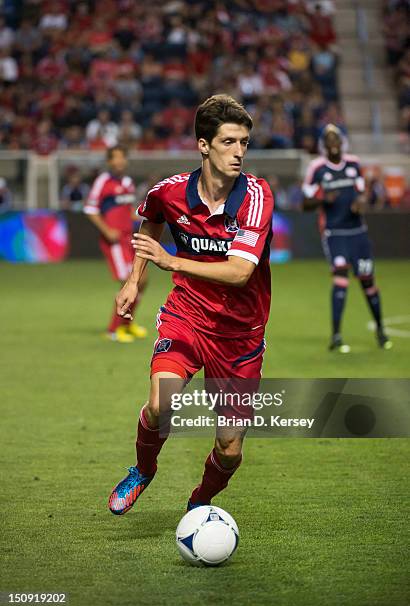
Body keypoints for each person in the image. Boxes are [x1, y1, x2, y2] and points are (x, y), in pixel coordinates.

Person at [108, 94, 274, 515]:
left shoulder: (256, 197)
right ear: (204, 145)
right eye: (229, 142)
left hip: (240, 336)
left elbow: (240, 272)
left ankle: (200, 502)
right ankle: (143, 471)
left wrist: (170, 261)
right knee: (160, 403)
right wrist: (134, 279)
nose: (239, 152)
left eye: (244, 143)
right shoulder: (169, 192)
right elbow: (153, 219)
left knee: (230, 449)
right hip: (187, 316)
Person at [302, 124, 392, 352]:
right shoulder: (317, 167)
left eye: (336, 140)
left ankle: (381, 330)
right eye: (329, 141)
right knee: (340, 279)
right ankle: (336, 335)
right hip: (335, 233)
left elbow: (362, 193)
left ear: (342, 142)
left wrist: (360, 202)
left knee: (367, 281)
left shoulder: (353, 163)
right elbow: (305, 202)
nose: (333, 145)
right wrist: (324, 199)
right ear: (324, 145)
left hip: (358, 232)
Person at [84, 145, 147, 342]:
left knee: (142, 280)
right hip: (115, 240)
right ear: (109, 161)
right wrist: (107, 230)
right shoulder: (103, 181)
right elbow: (90, 209)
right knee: (129, 281)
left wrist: (141, 218)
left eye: (122, 157)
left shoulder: (127, 182)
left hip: (129, 237)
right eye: (115, 158)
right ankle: (114, 329)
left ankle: (127, 324)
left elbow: (127, 210)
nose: (119, 161)